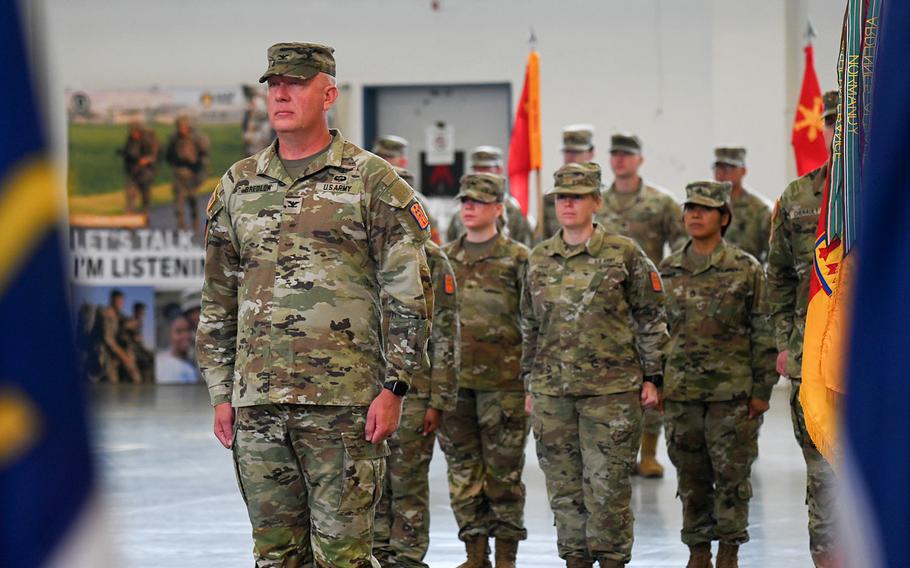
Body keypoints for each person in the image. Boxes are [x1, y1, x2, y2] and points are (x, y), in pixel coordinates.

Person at [196, 42, 432, 567]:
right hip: (256, 403)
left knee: (343, 558)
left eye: (296, 83)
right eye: (273, 84)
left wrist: (395, 387)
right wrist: (221, 390)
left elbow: (409, 293)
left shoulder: (371, 181)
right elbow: (217, 297)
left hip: (344, 405)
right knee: (276, 556)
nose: (281, 92)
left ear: (328, 94)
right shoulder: (239, 184)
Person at [522, 162, 667, 568]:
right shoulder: (539, 258)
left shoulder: (623, 254)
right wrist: (529, 382)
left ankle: (612, 561)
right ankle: (574, 561)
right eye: (561, 197)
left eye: (577, 196)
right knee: (565, 492)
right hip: (553, 395)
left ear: (596, 202)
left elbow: (651, 315)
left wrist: (653, 376)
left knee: (607, 491)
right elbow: (529, 323)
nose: (567, 204)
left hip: (612, 394)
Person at [658, 181, 776, 568]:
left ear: (724, 218)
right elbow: (655, 331)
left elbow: (763, 331)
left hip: (731, 395)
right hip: (682, 395)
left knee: (731, 478)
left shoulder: (745, 269)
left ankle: (728, 551)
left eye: (704, 209)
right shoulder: (669, 269)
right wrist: (658, 382)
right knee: (690, 479)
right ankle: (697, 552)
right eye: (690, 207)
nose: (694, 214)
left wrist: (762, 390)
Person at [438, 173, 530, 568]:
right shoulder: (444, 258)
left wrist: (531, 383)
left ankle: (506, 556)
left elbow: (533, 320)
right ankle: (475, 554)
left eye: (478, 201)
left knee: (504, 475)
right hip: (455, 386)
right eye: (465, 200)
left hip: (503, 385)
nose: (469, 207)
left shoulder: (519, 259)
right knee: (462, 474)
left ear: (499, 208)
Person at [766, 89, 839, 568]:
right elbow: (776, 278)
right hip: (811, 361)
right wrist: (781, 344)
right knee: (825, 481)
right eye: (832, 124)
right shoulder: (797, 197)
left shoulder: (894, 192)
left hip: (882, 362)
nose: (840, 133)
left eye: (849, 124)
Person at [595, 132, 686, 479]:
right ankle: (618, 449)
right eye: (615, 154)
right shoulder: (599, 202)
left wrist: (664, 283)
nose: (620, 160)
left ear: (640, 160)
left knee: (652, 373)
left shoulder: (660, 202)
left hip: (646, 301)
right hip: (607, 302)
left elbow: (679, 245)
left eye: (627, 155)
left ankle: (648, 452)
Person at [373, 239, 460, 568]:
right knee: (372, 482)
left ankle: (407, 559)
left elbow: (447, 334)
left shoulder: (432, 258)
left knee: (407, 483)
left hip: (415, 392)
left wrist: (440, 400)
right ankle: (376, 556)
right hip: (367, 390)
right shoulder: (364, 247)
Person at [446, 146, 535, 247]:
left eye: (486, 169)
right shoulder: (460, 212)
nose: (481, 174)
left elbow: (526, 246)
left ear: (499, 170)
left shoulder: (514, 210)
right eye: (476, 169)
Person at [711, 147, 772, 262]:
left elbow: (774, 254)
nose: (722, 173)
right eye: (718, 167)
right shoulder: (703, 206)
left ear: (743, 171)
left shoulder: (760, 209)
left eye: (729, 168)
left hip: (747, 275)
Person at [540, 125, 596, 239]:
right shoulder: (551, 197)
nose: (571, 157)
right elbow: (544, 241)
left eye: (577, 151)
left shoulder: (604, 195)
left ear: (591, 153)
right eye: (567, 151)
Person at [165, 116, 209, 231]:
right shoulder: (174, 139)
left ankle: (194, 220)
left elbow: (204, 153)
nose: (181, 130)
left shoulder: (196, 137)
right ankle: (181, 226)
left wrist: (198, 166)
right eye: (179, 127)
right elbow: (168, 155)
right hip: (179, 172)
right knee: (178, 201)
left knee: (192, 197)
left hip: (193, 173)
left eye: (183, 127)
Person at [99, 289, 141, 384]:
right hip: (104, 352)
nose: (121, 304)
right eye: (118, 302)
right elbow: (108, 340)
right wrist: (124, 357)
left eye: (122, 302)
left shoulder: (119, 315)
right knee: (112, 383)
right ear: (112, 300)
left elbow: (125, 324)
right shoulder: (107, 314)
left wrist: (134, 332)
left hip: (116, 351)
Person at [121, 121, 159, 216]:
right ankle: (128, 217)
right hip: (133, 171)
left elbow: (155, 155)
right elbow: (128, 153)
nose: (133, 134)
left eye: (135, 131)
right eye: (132, 131)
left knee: (145, 195)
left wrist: (146, 160)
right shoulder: (130, 140)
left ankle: (145, 214)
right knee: (130, 194)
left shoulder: (148, 140)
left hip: (146, 172)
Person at [155, 315, 200, 384]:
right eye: (179, 331)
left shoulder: (191, 362)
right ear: (169, 334)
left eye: (188, 330)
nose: (186, 336)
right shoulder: (163, 364)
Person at [123, 302, 154, 383]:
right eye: (141, 312)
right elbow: (124, 328)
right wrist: (133, 337)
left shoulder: (139, 323)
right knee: (137, 379)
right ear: (136, 312)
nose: (143, 314)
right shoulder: (132, 321)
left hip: (137, 351)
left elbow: (139, 342)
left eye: (144, 312)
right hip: (129, 352)